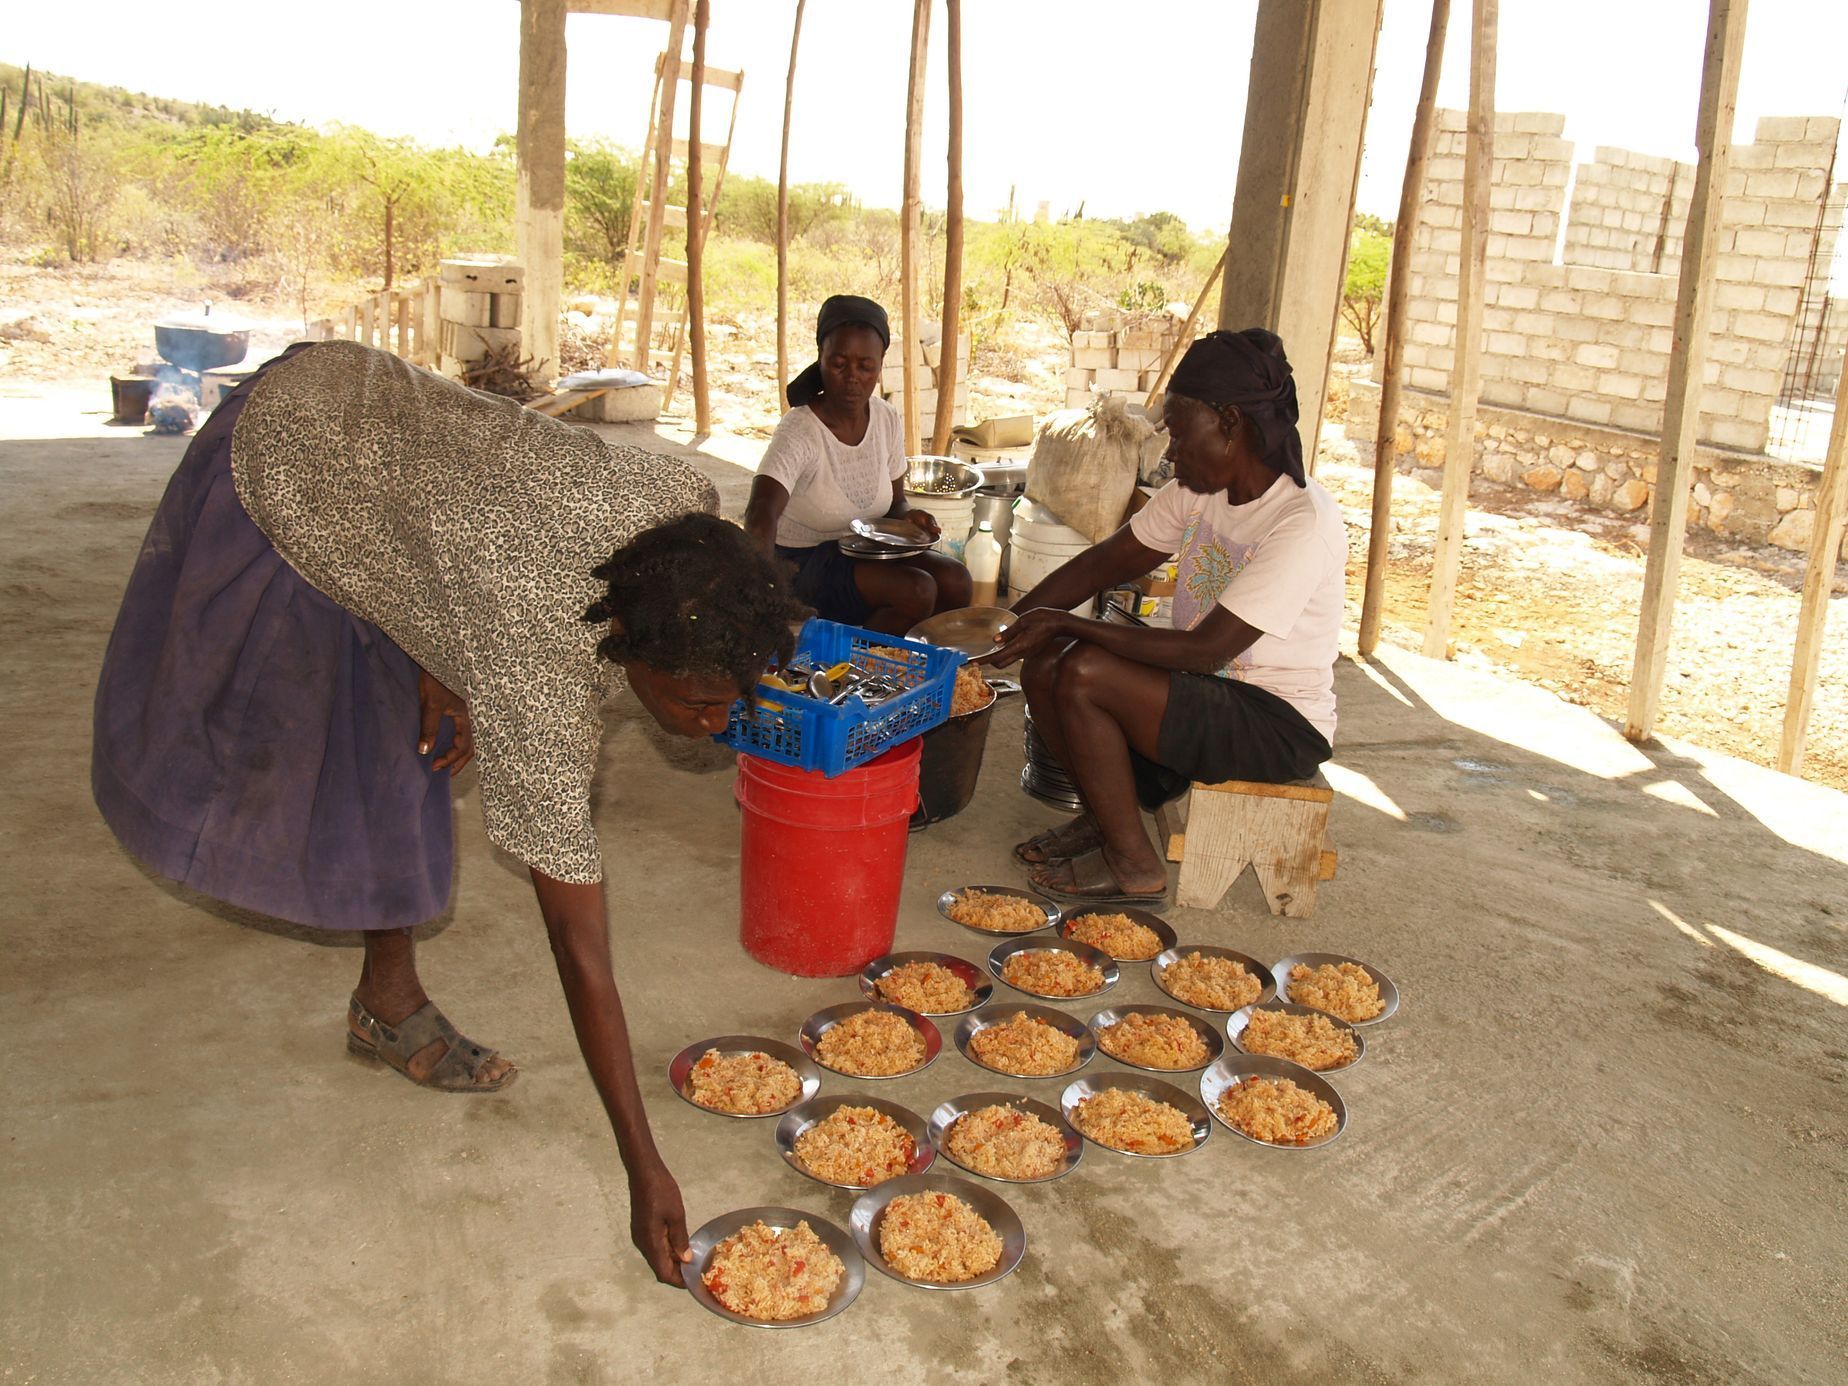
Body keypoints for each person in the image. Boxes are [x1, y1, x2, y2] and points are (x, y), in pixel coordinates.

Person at [91, 339, 806, 1286]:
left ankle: (384, 1001)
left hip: (419, 470)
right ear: (622, 644)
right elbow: (579, 944)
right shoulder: (536, 653)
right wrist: (645, 1166)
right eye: (693, 700)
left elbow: (464, 537)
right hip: (303, 451)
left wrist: (439, 655)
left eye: (729, 702)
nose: (714, 728)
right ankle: (384, 996)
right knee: (318, 743)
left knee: (415, 745)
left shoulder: (686, 518)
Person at [978, 328, 1344, 905]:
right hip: (1204, 693)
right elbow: (1107, 561)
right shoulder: (1201, 488)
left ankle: (1134, 864)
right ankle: (1105, 821)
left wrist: (1068, 622)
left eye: (1178, 430)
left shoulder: (1302, 521)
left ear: (1229, 422)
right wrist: (1007, 626)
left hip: (1276, 723)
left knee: (1084, 668)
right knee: (1046, 659)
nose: (1171, 451)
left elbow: (1207, 650)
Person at [744, 294, 971, 634]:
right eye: (839, 363)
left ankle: (910, 659)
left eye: (865, 367)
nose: (852, 377)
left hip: (862, 552)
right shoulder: (801, 429)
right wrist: (760, 591)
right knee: (916, 591)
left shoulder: (885, 418)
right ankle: (854, 664)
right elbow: (761, 511)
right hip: (801, 563)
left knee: (955, 580)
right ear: (821, 358)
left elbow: (895, 503)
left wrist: (909, 518)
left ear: (880, 366)